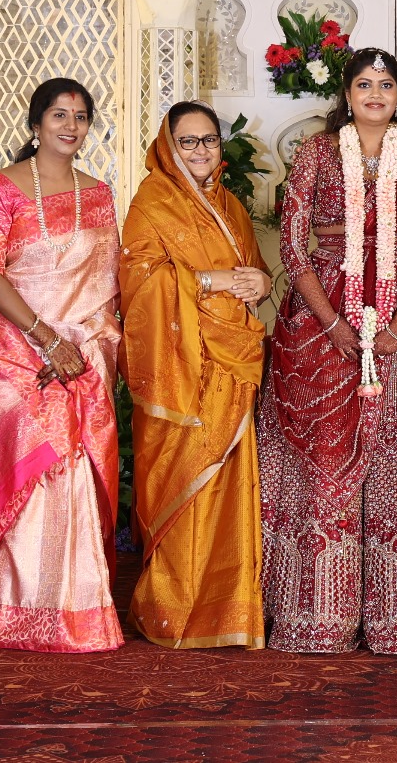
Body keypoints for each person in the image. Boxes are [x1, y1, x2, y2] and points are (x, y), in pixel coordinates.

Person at [259, 48, 397, 654]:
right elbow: (292, 246)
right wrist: (333, 324)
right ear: (346, 95)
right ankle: (317, 615)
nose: (375, 94)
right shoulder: (317, 152)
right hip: (321, 325)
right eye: (364, 84)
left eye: (387, 84)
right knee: (323, 464)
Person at [0, 78, 123, 652]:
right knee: (27, 474)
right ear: (35, 124)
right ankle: (17, 613)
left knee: (72, 477)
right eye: (59, 115)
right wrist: (48, 341)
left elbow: (107, 288)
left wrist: (80, 347)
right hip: (12, 356)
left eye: (80, 116)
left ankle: (80, 614)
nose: (71, 126)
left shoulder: (99, 193)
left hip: (80, 357)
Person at [119, 101, 271, 649]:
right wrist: (213, 281)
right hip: (181, 366)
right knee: (186, 482)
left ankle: (227, 611)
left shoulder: (230, 205)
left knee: (229, 484)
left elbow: (252, 273)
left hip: (233, 361)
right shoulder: (152, 201)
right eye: (189, 141)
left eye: (209, 140)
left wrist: (260, 282)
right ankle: (172, 610)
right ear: (168, 146)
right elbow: (140, 283)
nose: (201, 150)